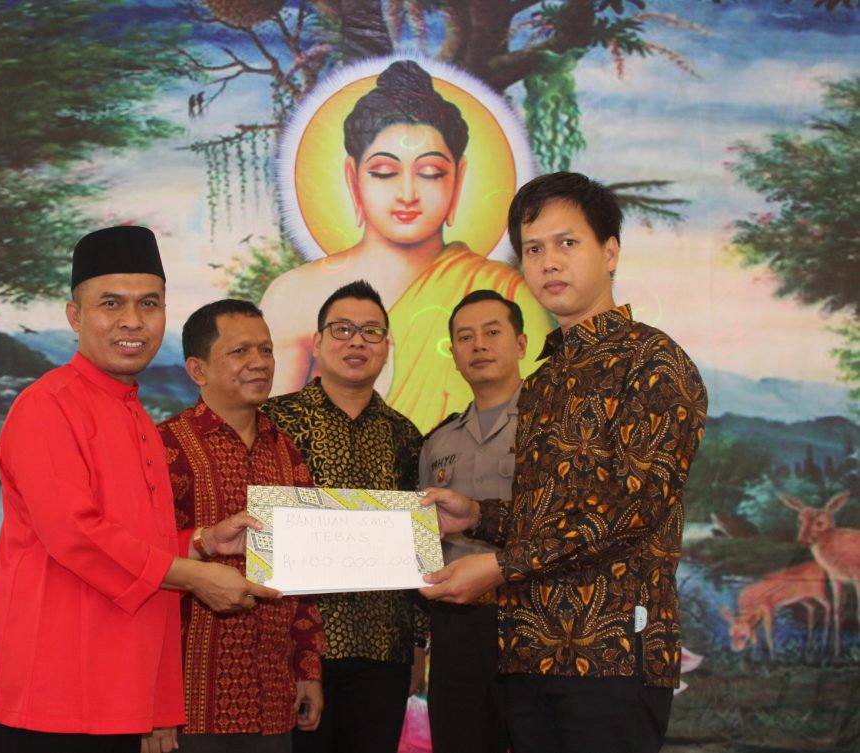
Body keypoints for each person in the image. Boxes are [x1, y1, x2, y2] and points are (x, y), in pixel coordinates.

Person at [421, 172, 708, 753]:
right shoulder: (545, 379)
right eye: (533, 249)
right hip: (528, 652)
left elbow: (627, 512)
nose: (549, 261)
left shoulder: (653, 362)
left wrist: (499, 566)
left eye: (567, 243)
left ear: (610, 252)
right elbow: (550, 517)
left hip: (611, 655)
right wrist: (477, 515)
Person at [0, 226, 280, 753]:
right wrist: (195, 576)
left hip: (120, 691)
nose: (132, 320)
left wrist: (202, 543)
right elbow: (77, 536)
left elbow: (135, 544)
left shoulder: (137, 416)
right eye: (111, 303)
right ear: (75, 316)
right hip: (55, 696)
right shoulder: (47, 406)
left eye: (149, 303)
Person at [262, 60, 551, 433]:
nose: (408, 194)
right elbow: (271, 445)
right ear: (353, 179)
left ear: (458, 179)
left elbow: (540, 428)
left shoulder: (506, 294)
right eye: (384, 172)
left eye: (431, 173)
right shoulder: (296, 295)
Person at [263, 280, 428, 753]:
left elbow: (419, 542)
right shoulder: (274, 423)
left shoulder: (406, 435)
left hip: (384, 648)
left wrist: (418, 643)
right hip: (295, 649)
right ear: (317, 342)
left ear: (387, 346)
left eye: (371, 331)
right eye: (342, 329)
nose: (357, 341)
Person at [157, 299, 326, 753]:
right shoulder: (164, 448)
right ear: (198, 370)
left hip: (273, 699)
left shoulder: (287, 453)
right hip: (188, 706)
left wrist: (307, 669)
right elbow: (139, 565)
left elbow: (303, 573)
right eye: (240, 351)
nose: (260, 363)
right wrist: (152, 704)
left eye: (266, 350)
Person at [419, 290, 525, 753]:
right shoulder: (437, 442)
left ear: (521, 343)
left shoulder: (554, 429)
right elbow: (425, 543)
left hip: (530, 616)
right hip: (456, 625)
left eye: (492, 332)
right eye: (465, 337)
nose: (478, 344)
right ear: (454, 353)